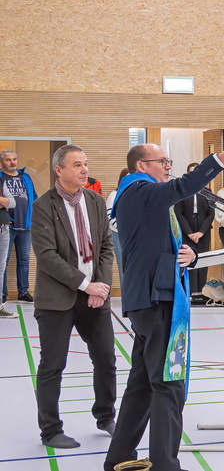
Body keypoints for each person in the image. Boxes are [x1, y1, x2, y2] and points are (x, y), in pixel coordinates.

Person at [104, 140, 224, 471]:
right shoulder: (140, 191)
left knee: (143, 385)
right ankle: (165, 465)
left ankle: (118, 458)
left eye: (169, 161)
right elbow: (186, 185)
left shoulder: (139, 195)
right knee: (169, 385)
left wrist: (190, 254)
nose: (168, 166)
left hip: (149, 297)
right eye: (163, 161)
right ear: (141, 166)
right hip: (156, 299)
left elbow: (158, 243)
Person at [31, 144, 117, 449]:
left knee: (106, 358)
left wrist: (101, 286)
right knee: (52, 364)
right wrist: (85, 285)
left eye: (86, 164)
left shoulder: (95, 201)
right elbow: (47, 256)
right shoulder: (43, 206)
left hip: (95, 296)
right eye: (77, 165)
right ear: (59, 170)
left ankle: (106, 416)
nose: (84, 170)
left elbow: (106, 247)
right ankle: (51, 430)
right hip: (58, 299)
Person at [0, 150, 37, 304]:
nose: (12, 162)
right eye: (8, 160)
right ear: (2, 161)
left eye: (14, 159)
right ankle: (2, 293)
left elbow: (34, 198)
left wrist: (33, 217)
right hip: (6, 225)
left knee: (24, 260)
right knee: (3, 260)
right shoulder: (1, 178)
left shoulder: (26, 178)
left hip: (25, 225)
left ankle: (23, 292)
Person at [174, 162, 215, 294]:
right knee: (189, 262)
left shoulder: (207, 192)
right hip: (187, 230)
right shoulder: (183, 191)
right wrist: (190, 233)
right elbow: (178, 213)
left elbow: (211, 214)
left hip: (203, 230)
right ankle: (190, 293)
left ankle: (201, 293)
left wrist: (201, 232)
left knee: (202, 261)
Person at [106, 168, 130, 284]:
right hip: (118, 234)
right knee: (123, 268)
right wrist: (124, 228)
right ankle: (126, 300)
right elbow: (109, 215)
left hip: (132, 236)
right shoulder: (114, 194)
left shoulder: (134, 194)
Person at [0, 176, 17, 318]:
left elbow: (12, 202)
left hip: (3, 228)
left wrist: (3, 201)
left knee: (0, 269)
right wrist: (3, 201)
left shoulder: (1, 181)